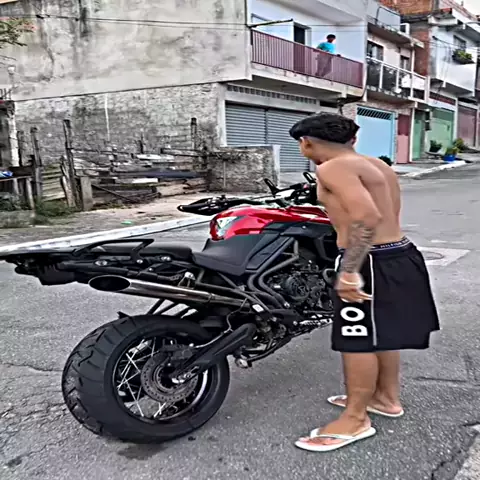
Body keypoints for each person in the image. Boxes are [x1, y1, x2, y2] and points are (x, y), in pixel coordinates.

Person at [288, 112, 440, 453]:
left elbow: (366, 217)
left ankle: (355, 419)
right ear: (352, 140)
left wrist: (349, 270)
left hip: (369, 260)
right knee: (381, 333)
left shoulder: (332, 168)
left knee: (356, 339)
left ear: (306, 143)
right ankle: (386, 398)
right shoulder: (377, 165)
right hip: (399, 252)